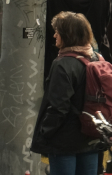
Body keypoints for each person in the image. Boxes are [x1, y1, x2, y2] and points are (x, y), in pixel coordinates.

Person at [33, 11, 108, 175]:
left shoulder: (63, 64)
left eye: (57, 32)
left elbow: (58, 107)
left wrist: (45, 133)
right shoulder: (97, 59)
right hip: (91, 136)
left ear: (67, 35)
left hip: (64, 141)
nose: (54, 35)